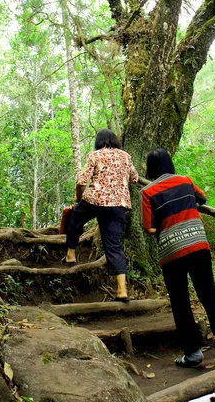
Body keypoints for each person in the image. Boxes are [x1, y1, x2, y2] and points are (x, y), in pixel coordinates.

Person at [141, 148, 215, 368]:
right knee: (209, 294)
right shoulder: (185, 181)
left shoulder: (148, 191)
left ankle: (193, 353)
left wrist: (166, 226)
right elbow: (202, 198)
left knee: (180, 302)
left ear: (150, 168)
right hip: (198, 244)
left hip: (172, 251)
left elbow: (148, 227)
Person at [64, 129, 138, 302]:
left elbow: (82, 181)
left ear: (98, 142)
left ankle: (70, 255)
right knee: (114, 245)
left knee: (75, 219)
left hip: (95, 200)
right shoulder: (126, 156)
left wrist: (78, 196)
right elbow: (134, 178)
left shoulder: (95, 155)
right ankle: (122, 290)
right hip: (118, 205)